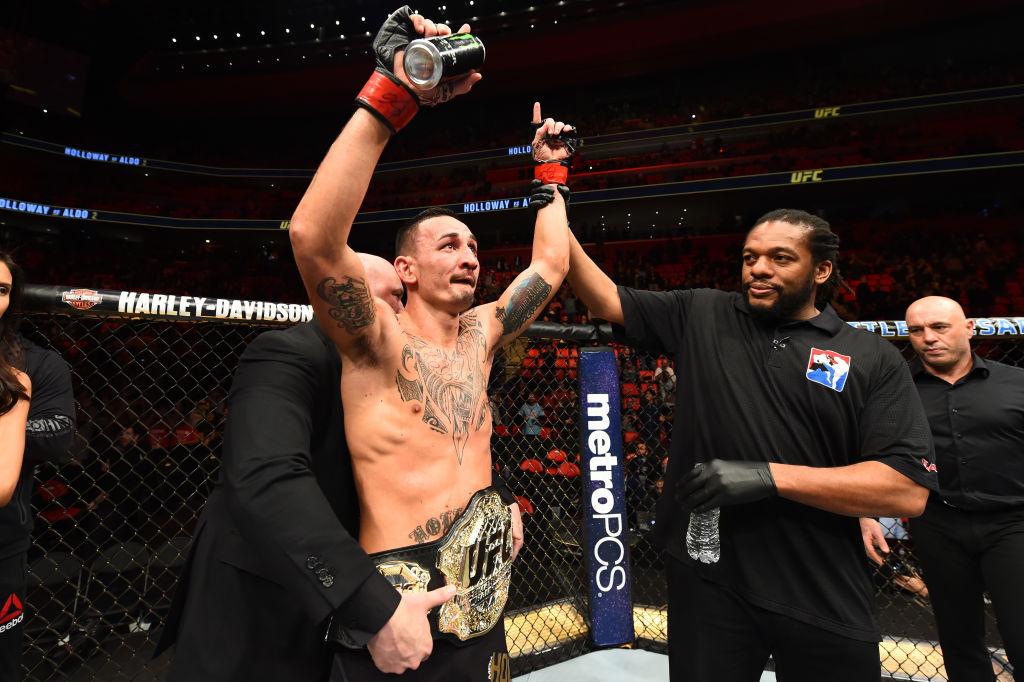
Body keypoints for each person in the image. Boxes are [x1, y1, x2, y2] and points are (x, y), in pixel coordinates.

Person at [287, 8, 573, 680]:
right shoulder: (374, 340)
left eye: (473, 246)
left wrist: (551, 175)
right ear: (405, 271)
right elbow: (311, 238)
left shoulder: (483, 333)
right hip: (395, 598)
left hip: (484, 582)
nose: (470, 256)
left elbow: (550, 268)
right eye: (448, 244)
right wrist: (394, 92)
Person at [565, 208, 937, 681]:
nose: (758, 268)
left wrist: (767, 476)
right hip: (710, 580)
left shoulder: (870, 356)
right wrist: (553, 194)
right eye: (750, 257)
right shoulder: (703, 312)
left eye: (781, 258)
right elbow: (602, 296)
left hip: (819, 582)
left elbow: (906, 490)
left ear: (821, 271)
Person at [158, 254, 418, 681]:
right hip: (260, 594)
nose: (403, 311)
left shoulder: (396, 372)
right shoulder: (288, 351)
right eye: (394, 297)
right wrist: (370, 602)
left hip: (337, 587)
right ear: (347, 294)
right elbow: (266, 478)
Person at [861, 296, 1023, 680]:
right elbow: (868, 451)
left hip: (1012, 522)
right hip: (936, 522)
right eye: (916, 330)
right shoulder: (893, 390)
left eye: (939, 327)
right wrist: (864, 512)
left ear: (968, 328)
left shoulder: (1016, 383)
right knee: (958, 636)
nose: (928, 338)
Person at [0, 251, 74, 682]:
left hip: (5, 534)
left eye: (3, 289)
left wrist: (10, 432)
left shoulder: (35, 366)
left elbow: (59, 435)